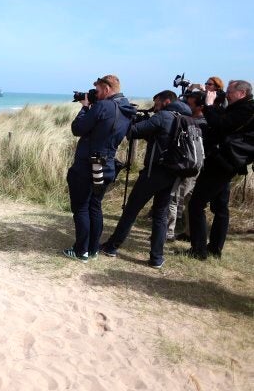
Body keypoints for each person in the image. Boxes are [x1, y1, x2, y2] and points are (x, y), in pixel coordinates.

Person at [100, 90, 193, 269]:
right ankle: (156, 258)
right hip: (174, 174)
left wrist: (131, 118)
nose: (154, 104)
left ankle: (111, 247)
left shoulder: (164, 116)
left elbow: (133, 132)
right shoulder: (186, 118)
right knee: (160, 215)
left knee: (131, 210)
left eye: (156, 101)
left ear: (166, 101)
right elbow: (162, 138)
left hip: (154, 173)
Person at [62, 75, 135, 262]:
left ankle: (81, 251)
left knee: (81, 208)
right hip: (108, 165)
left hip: (87, 165)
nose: (97, 94)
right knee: (95, 206)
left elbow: (77, 129)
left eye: (99, 90)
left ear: (107, 89)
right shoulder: (127, 109)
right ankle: (93, 249)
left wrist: (85, 107)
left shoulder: (103, 106)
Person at [187, 80, 254, 259]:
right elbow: (222, 120)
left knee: (196, 204)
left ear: (242, 93)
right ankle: (215, 248)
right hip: (226, 161)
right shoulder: (241, 107)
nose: (227, 94)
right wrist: (213, 105)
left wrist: (208, 106)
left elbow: (221, 124)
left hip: (221, 162)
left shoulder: (246, 110)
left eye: (230, 91)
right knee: (220, 207)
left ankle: (199, 250)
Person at [166, 86, 208, 241]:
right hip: (197, 165)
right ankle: (190, 232)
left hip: (188, 165)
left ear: (200, 106)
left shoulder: (197, 123)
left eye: (190, 104)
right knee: (189, 199)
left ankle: (168, 232)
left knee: (175, 198)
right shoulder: (202, 121)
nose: (186, 106)